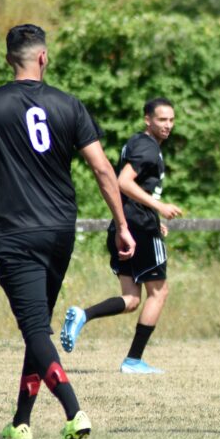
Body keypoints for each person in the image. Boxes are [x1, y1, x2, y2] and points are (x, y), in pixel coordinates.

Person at [0, 24, 135, 439]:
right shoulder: (69, 105)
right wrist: (121, 225)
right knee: (37, 325)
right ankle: (20, 421)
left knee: (34, 327)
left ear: (8, 58)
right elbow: (103, 170)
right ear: (43, 57)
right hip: (60, 229)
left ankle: (75, 411)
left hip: (17, 232)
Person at [59, 98, 183, 374]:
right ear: (147, 120)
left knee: (131, 299)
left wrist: (150, 217)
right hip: (137, 228)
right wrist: (158, 208)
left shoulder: (137, 143)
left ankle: (84, 315)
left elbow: (129, 189)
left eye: (171, 120)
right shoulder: (148, 148)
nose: (168, 125)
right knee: (159, 292)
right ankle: (133, 360)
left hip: (126, 225)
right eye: (162, 120)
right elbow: (123, 182)